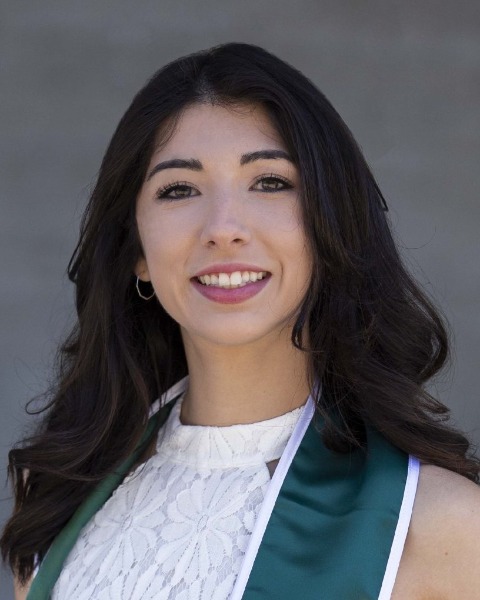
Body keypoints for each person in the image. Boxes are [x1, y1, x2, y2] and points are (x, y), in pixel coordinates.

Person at [2, 42, 479, 600]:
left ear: (330, 223)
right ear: (137, 251)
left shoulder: (438, 528)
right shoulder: (60, 494)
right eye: (179, 190)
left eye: (270, 182)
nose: (224, 228)